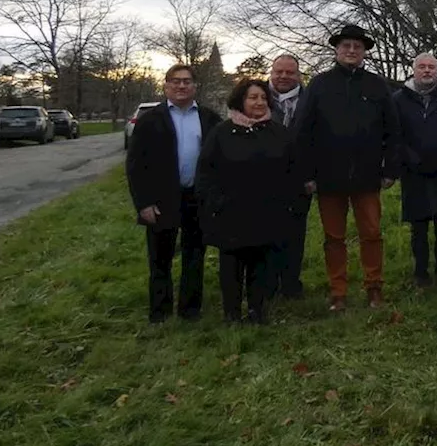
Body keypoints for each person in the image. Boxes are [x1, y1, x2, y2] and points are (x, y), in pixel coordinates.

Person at [295, 24, 401, 311]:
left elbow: (392, 130)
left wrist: (391, 168)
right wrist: (306, 174)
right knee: (333, 238)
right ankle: (338, 291)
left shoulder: (377, 85)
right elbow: (303, 131)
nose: (352, 51)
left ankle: (374, 287)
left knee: (371, 233)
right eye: (346, 46)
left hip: (367, 175)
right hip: (328, 177)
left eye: (357, 46)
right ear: (337, 50)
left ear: (364, 51)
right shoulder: (319, 84)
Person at [197, 79, 300, 324]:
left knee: (261, 265)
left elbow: (293, 170)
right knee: (232, 266)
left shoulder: (278, 132)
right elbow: (205, 172)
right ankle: (232, 312)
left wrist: (288, 202)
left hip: (268, 212)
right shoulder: (222, 133)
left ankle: (257, 310)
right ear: (241, 101)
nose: (259, 102)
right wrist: (216, 202)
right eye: (253, 97)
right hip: (231, 213)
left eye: (263, 98)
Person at [126, 63, 221, 323]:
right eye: (176, 81)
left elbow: (220, 158)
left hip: (196, 198)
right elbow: (135, 166)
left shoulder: (209, 118)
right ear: (166, 86)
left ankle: (190, 310)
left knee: (194, 257)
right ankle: (160, 312)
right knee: (160, 259)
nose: (181, 86)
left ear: (194, 86)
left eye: (187, 81)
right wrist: (143, 204)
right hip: (161, 200)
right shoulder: (149, 121)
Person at [393, 53, 437, 286]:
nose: (427, 71)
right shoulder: (399, 99)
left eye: (431, 67)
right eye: (422, 67)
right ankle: (420, 273)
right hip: (413, 170)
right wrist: (411, 158)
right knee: (419, 224)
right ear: (414, 70)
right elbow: (395, 134)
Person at [266, 53, 310, 300]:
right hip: (264, 178)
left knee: (295, 233)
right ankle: (267, 284)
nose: (283, 77)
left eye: (289, 72)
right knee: (267, 231)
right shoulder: (255, 96)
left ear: (298, 75)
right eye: (278, 72)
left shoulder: (310, 99)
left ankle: (291, 283)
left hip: (299, 178)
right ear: (271, 73)